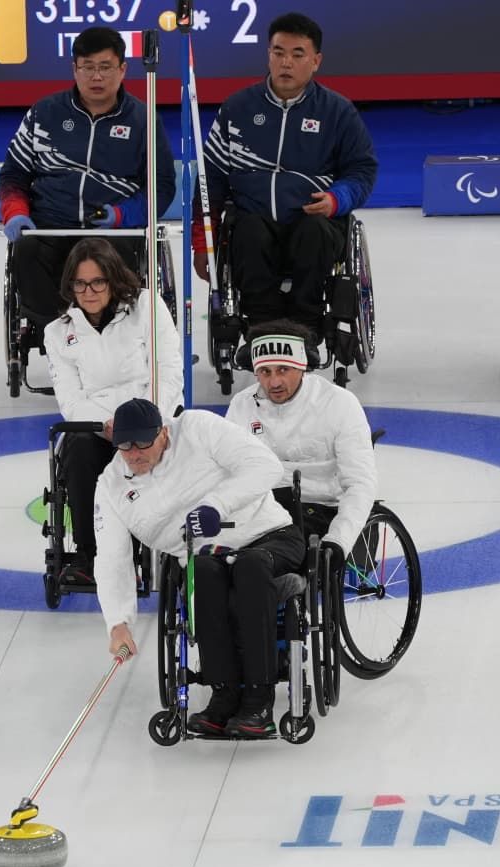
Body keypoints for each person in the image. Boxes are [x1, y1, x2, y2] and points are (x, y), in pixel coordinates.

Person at [94, 398, 305, 738]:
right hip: (203, 557)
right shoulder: (111, 486)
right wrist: (118, 623)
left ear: (163, 433)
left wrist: (215, 506)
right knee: (202, 574)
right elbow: (111, 557)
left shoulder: (198, 428)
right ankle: (223, 695)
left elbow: (266, 466)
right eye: (124, 446)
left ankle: (258, 700)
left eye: (143, 443)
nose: (133, 454)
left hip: (267, 537)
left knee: (249, 566)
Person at [191, 12, 378, 359]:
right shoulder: (237, 107)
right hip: (252, 216)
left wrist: (337, 199)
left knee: (315, 233)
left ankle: (304, 331)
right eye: (278, 52)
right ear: (268, 55)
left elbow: (362, 170)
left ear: (316, 61)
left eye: (297, 54)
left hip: (313, 217)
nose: (286, 62)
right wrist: (203, 243)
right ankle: (262, 330)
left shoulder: (337, 111)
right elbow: (210, 178)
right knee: (246, 232)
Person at [0, 26, 177, 327]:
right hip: (51, 226)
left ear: (122, 70)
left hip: (113, 231)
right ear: (74, 69)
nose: (96, 77)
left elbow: (163, 187)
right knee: (25, 250)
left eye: (105, 67)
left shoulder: (144, 119)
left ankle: (111, 332)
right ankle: (55, 333)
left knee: (113, 257)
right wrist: (15, 213)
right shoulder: (44, 113)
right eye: (88, 67)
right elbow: (12, 175)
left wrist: (122, 215)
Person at [44, 238, 183, 588]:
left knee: (140, 450)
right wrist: (108, 426)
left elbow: (168, 371)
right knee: (77, 448)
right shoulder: (58, 333)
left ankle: (141, 546)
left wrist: (143, 420)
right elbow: (71, 399)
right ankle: (93, 558)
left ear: (113, 279)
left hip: (150, 419)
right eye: (80, 283)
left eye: (97, 282)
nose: (88, 291)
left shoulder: (148, 307)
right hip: (96, 426)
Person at [225, 321, 377, 564]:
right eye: (265, 372)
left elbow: (360, 483)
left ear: (301, 367)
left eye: (283, 370)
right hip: (259, 511)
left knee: (262, 559)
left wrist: (339, 539)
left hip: (319, 509)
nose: (274, 382)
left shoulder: (339, 404)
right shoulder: (242, 404)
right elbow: (227, 472)